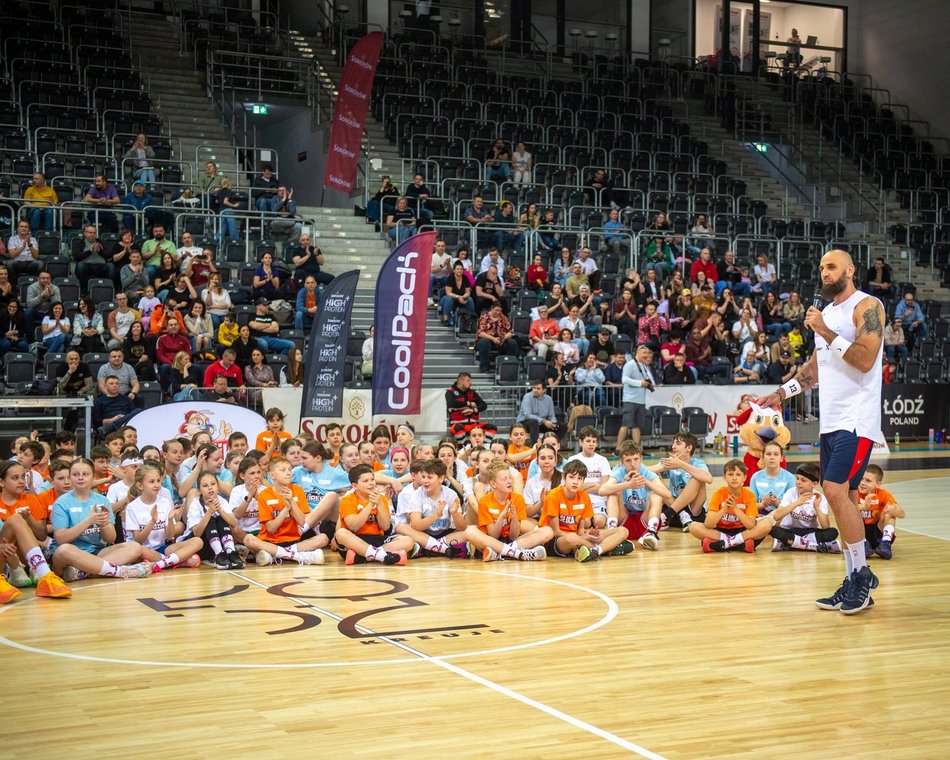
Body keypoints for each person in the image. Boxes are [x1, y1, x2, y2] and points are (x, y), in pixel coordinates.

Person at [754, 249, 886, 614]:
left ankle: (861, 575)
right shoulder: (826, 314)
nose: (824, 273)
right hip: (830, 421)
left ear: (850, 269)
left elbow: (864, 359)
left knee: (833, 491)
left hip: (856, 419)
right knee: (844, 500)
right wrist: (779, 394)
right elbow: (813, 370)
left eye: (831, 267)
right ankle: (855, 580)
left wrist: (825, 331)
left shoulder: (867, 305)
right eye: (821, 268)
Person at [51, 458, 152, 582]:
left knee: (135, 547)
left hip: (97, 552)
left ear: (93, 477)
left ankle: (85, 571)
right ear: (70, 477)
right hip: (72, 554)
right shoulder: (61, 502)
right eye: (75, 474)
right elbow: (60, 539)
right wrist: (89, 521)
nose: (80, 478)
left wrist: (104, 524)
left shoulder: (102, 501)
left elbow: (111, 538)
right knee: (64, 550)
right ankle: (116, 571)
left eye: (85, 474)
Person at [537, 460, 631, 562]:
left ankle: (596, 551)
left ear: (583, 481)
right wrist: (582, 537)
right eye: (571, 477)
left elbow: (580, 530)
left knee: (623, 530)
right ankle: (608, 548)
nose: (575, 482)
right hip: (555, 540)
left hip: (578, 537)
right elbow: (555, 531)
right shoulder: (553, 496)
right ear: (564, 478)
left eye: (579, 478)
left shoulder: (584, 496)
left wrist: (588, 534)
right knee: (572, 538)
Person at [242, 456, 326, 565]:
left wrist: (291, 501)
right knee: (248, 539)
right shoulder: (264, 495)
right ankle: (297, 556)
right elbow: (271, 529)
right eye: (283, 470)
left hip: (293, 541)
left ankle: (274, 556)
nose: (288, 473)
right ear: (272, 475)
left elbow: (302, 522)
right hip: (270, 541)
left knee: (323, 538)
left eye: (290, 469)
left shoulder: (298, 490)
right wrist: (286, 509)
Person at [123, 462, 203, 573]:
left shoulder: (164, 502)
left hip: (162, 548)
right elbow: (138, 540)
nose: (156, 485)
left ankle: (160, 564)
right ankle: (176, 561)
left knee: (198, 541)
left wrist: (170, 520)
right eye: (151, 482)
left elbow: (169, 536)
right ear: (140, 485)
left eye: (158, 481)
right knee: (141, 551)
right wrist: (152, 522)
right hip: (144, 549)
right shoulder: (132, 507)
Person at [464, 461, 551, 561]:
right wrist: (501, 517)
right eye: (504, 479)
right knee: (470, 531)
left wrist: (514, 518)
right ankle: (517, 553)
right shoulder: (485, 501)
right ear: (493, 484)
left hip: (511, 542)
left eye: (510, 477)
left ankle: (500, 554)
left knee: (547, 531)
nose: (509, 481)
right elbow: (493, 535)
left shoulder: (517, 499)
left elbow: (513, 536)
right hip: (490, 542)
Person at [334, 464, 413, 565]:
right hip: (355, 539)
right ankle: (382, 556)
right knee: (341, 533)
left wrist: (379, 504)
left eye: (372, 479)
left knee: (408, 541)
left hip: (376, 538)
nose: (371, 483)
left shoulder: (381, 498)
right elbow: (353, 527)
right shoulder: (347, 500)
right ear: (355, 486)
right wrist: (371, 504)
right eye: (365, 481)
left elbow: (385, 527)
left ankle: (363, 556)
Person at [688, 459, 772, 552]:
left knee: (767, 524)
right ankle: (739, 544)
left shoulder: (749, 495)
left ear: (744, 477)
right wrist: (724, 510)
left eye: (738, 474)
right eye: (731, 474)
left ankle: (724, 544)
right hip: (721, 531)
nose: (734, 478)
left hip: (743, 531)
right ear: (724, 477)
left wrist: (735, 508)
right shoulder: (718, 493)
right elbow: (708, 524)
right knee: (693, 526)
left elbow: (750, 525)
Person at [602, 442, 672, 550]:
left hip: (644, 519)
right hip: (625, 520)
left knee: (656, 495)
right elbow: (602, 490)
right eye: (628, 461)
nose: (633, 464)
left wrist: (645, 482)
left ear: (641, 458)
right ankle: (612, 532)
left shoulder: (647, 473)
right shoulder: (619, 472)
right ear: (621, 462)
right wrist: (627, 484)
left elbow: (667, 494)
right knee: (613, 494)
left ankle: (651, 532)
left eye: (636, 459)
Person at [768, 462, 840, 553]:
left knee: (833, 532)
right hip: (791, 530)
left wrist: (816, 507)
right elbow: (777, 516)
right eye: (797, 478)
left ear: (814, 484)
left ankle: (791, 544)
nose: (798, 482)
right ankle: (814, 546)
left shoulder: (819, 497)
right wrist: (796, 503)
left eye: (803, 480)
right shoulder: (790, 493)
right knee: (774, 530)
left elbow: (826, 526)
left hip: (810, 532)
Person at [651, 431, 713, 531]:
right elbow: (648, 470)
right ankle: (680, 514)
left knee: (698, 478)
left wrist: (681, 465)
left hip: (694, 513)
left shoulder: (698, 463)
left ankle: (668, 514)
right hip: (675, 511)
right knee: (654, 477)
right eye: (673, 443)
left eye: (678, 443)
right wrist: (629, 469)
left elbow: (709, 479)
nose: (673, 447)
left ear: (689, 448)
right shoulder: (670, 461)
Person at [567, 427, 614, 529]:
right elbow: (571, 487)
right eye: (588, 441)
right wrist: (594, 485)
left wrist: (582, 487)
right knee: (585, 523)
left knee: (599, 522)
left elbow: (603, 488)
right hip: (578, 500)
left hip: (598, 500)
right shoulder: (573, 459)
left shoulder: (603, 460)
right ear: (580, 442)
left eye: (594, 441)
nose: (591, 444)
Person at [856, 464, 905, 560]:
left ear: (878, 484)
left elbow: (902, 514)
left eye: (868, 481)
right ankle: (863, 544)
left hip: (877, 531)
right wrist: (864, 506)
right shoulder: (854, 493)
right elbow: (847, 510)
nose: (862, 483)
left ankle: (885, 543)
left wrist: (891, 510)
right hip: (859, 533)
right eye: (861, 479)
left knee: (890, 513)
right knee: (851, 514)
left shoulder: (883, 494)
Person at [615, 344, 656, 450]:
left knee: (637, 426)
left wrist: (647, 384)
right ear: (638, 352)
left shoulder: (643, 365)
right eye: (644, 353)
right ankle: (618, 448)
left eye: (648, 353)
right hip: (630, 399)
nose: (646, 355)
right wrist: (640, 383)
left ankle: (637, 449)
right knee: (625, 424)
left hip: (640, 400)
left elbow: (644, 380)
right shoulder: (630, 364)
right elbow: (624, 380)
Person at [748, 442, 796, 514]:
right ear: (763, 457)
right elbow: (751, 505)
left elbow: (792, 507)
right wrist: (763, 504)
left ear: (781, 458)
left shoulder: (790, 478)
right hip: (761, 516)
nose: (772, 457)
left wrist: (776, 502)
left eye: (776, 454)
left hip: (782, 515)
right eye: (768, 454)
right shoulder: (755, 477)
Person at [445, 372, 494, 443]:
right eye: (468, 380)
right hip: (457, 424)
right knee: (458, 428)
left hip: (474, 425)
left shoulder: (472, 393)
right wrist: (469, 403)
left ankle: (483, 446)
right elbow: (451, 403)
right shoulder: (450, 392)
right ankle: (464, 447)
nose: (470, 383)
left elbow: (484, 405)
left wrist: (473, 410)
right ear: (461, 381)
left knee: (492, 427)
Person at [475, 302, 518, 373]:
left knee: (512, 343)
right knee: (484, 343)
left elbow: (510, 332)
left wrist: (504, 338)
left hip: (501, 340)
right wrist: (493, 339)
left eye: (500, 311)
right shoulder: (484, 317)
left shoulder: (503, 317)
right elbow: (480, 333)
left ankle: (510, 367)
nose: (498, 312)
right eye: (496, 310)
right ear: (492, 308)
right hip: (487, 340)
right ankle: (485, 367)